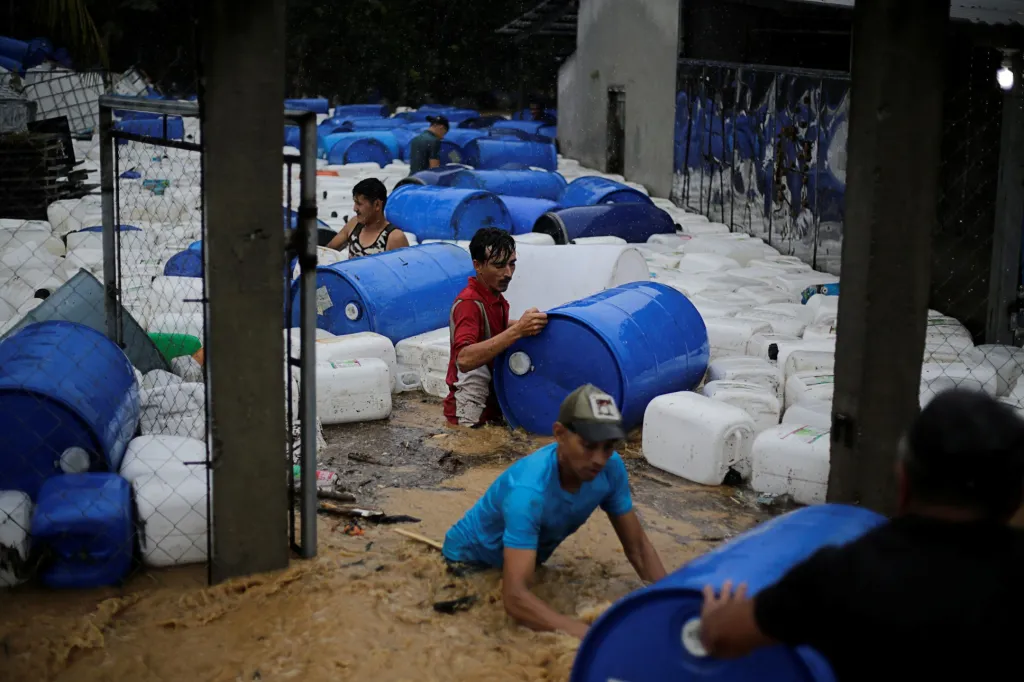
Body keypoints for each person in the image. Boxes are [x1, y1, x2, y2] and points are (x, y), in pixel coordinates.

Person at [698, 388, 1024, 681]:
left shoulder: (846, 575)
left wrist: (715, 615)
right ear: (1014, 499)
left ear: (903, 483)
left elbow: (721, 636)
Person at [442, 384, 668, 639]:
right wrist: (588, 636)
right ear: (559, 433)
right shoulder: (528, 493)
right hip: (471, 559)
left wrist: (669, 604)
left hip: (522, 554)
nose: (599, 459)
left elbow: (638, 548)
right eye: (589, 445)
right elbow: (515, 598)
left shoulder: (611, 470)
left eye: (608, 447)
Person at [444, 227, 546, 427]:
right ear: (478, 265)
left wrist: (522, 325)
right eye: (499, 266)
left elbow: (489, 327)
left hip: (492, 405)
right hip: (468, 413)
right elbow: (463, 359)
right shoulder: (469, 303)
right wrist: (517, 331)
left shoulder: (493, 298)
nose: (508, 273)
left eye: (512, 264)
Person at [325, 178, 408, 257]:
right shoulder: (354, 225)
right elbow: (327, 253)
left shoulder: (394, 238)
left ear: (377, 205)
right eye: (354, 203)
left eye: (359, 204)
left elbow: (405, 270)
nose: (354, 208)